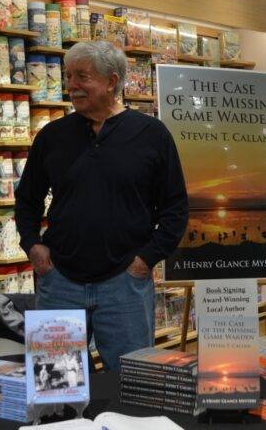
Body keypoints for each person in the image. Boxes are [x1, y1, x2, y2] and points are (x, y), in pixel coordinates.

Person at [15, 40, 188, 371]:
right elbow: (27, 200)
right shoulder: (52, 136)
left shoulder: (152, 135)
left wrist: (144, 260)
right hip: (59, 282)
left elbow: (175, 208)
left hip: (125, 283)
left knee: (134, 383)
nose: (72, 86)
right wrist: (32, 245)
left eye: (82, 76)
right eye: (69, 77)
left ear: (112, 81)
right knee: (55, 384)